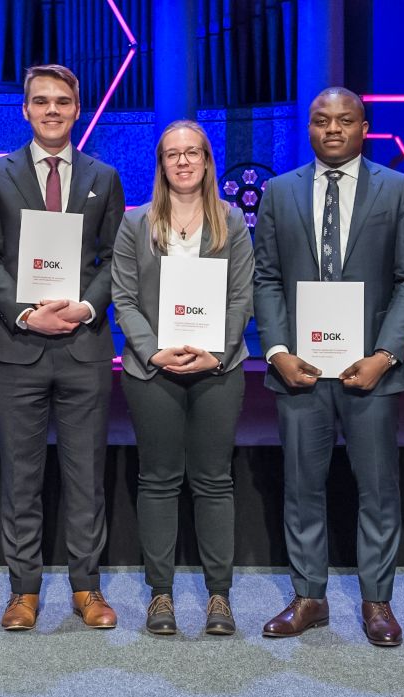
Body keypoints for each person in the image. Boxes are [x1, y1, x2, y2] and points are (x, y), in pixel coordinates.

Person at [252, 87, 404, 644]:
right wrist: (277, 352)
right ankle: (309, 599)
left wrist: (385, 355)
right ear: (309, 128)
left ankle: (377, 602)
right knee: (303, 487)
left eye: (344, 120)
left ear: (364, 125)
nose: (332, 128)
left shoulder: (397, 190)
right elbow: (267, 280)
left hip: (369, 370)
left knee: (377, 488)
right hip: (300, 371)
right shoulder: (280, 192)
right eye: (321, 120)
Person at [0, 64, 125, 631]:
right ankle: (24, 591)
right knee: (22, 475)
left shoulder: (102, 177)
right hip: (17, 346)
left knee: (87, 474)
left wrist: (84, 308)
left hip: (84, 345)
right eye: (41, 102)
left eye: (63, 101)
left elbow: (115, 259)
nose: (52, 110)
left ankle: (87, 589)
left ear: (77, 109)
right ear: (26, 111)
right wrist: (28, 312)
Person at [111, 120, 253, 636]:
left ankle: (219, 597)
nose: (184, 161)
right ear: (162, 164)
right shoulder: (136, 224)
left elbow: (242, 298)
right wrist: (155, 352)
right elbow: (123, 299)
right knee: (159, 480)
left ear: (207, 161)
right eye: (173, 154)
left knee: (215, 481)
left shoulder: (232, 222)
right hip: (153, 371)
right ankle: (161, 596)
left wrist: (214, 353)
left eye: (193, 152)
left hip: (219, 369)